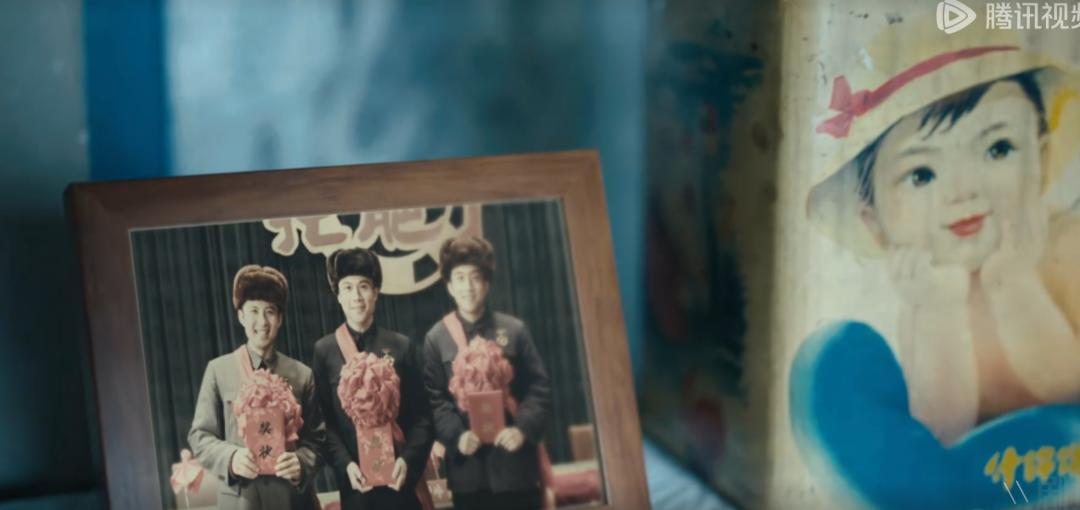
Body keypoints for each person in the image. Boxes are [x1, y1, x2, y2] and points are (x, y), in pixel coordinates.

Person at [422, 236, 554, 510]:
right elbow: (435, 400)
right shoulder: (437, 338)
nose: (468, 287)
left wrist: (522, 430)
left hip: (516, 467)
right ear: (449, 286)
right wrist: (456, 437)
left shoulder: (514, 330)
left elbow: (538, 388)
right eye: (460, 278)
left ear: (487, 283)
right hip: (468, 472)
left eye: (475, 277)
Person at [189, 265, 325, 510]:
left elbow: (317, 439)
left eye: (270, 311)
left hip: (291, 501)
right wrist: (231, 458)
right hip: (241, 500)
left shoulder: (302, 375)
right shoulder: (219, 370)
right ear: (241, 316)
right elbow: (199, 437)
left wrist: (301, 462)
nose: (262, 321)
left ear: (280, 318)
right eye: (253, 311)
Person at [312, 248, 434, 510]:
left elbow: (423, 417)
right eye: (347, 287)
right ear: (338, 295)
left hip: (400, 484)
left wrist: (408, 460)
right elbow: (324, 423)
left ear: (376, 292)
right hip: (357, 487)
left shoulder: (401, 346)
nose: (356, 297)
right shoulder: (325, 351)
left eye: (364, 286)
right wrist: (346, 465)